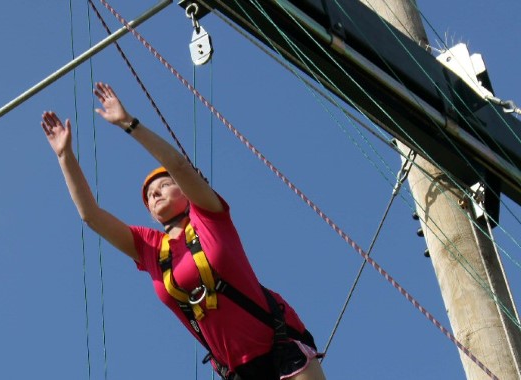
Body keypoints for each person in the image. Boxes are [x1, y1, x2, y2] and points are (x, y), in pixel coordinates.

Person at [41, 82, 326, 380]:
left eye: (164, 185)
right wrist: (65, 157)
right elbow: (91, 217)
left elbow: (177, 164)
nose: (155, 194)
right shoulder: (150, 247)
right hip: (240, 372)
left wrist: (129, 123)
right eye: (150, 195)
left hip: (280, 346)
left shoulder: (209, 215)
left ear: (187, 191)